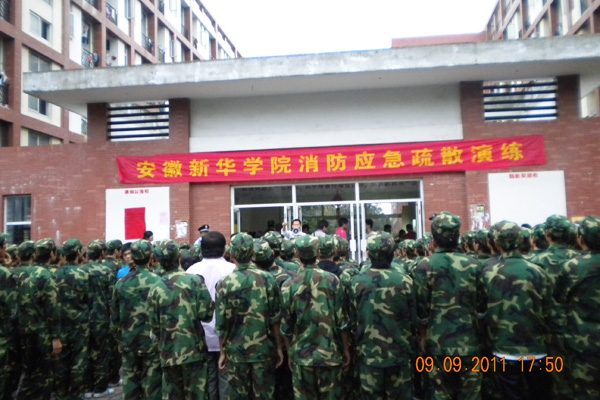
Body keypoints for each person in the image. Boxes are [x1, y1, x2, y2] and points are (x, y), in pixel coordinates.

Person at [412, 212, 483, 400]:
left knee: (440, 393)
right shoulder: (474, 264)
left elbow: (421, 308)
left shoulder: (424, 266)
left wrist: (422, 336)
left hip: (437, 344)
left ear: (434, 237)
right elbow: (482, 304)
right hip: (470, 342)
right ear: (458, 236)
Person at [480, 221, 552, 399]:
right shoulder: (538, 271)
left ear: (495, 243)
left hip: (503, 349)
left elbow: (481, 311)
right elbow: (550, 311)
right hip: (537, 350)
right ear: (521, 240)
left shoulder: (488, 273)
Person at [281, 235, 351, 400]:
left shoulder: (288, 285)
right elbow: (342, 321)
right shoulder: (332, 280)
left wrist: (290, 352)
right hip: (329, 354)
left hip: (301, 356)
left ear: (296, 254)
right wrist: (346, 349)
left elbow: (286, 326)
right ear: (318, 253)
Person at [215, 234, 284, 399]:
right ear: (252, 253)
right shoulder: (267, 279)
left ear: (232, 254)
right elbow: (275, 318)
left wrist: (222, 352)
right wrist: (279, 347)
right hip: (263, 350)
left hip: (236, 351)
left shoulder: (224, 283)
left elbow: (221, 324)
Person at [350, 232, 416, 399]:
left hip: (368, 354)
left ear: (368, 254)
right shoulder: (405, 281)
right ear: (393, 253)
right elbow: (414, 318)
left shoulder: (357, 282)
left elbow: (351, 319)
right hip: (399, 353)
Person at [148, 240, 214, 399]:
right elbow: (207, 314)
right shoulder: (195, 281)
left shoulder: (155, 288)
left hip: (168, 350)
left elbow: (154, 325)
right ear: (179, 256)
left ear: (158, 260)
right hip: (194, 349)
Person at [555, 215, 600, 400]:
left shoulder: (573, 266)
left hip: (584, 342)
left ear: (581, 239)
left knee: (585, 392)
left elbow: (559, 297)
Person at [187, 231, 235, 400]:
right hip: (228, 335)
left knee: (207, 382)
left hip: (201, 335)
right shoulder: (233, 270)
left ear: (201, 249)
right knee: (226, 380)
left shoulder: (191, 271)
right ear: (224, 249)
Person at [111, 240, 162, 400]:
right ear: (151, 256)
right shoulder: (159, 281)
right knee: (153, 385)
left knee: (130, 384)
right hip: (152, 342)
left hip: (129, 340)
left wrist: (119, 340)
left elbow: (114, 316)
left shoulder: (121, 283)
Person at [14, 240, 62, 400]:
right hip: (40, 333)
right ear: (52, 254)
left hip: (20, 329)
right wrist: (56, 337)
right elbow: (52, 308)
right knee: (43, 376)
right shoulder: (45, 275)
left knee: (28, 372)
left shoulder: (18, 272)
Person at [85, 240, 116, 398]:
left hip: (84, 318)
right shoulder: (106, 271)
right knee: (101, 352)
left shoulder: (81, 270)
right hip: (101, 317)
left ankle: (87, 387)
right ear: (102, 253)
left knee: (86, 353)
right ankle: (100, 388)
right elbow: (112, 298)